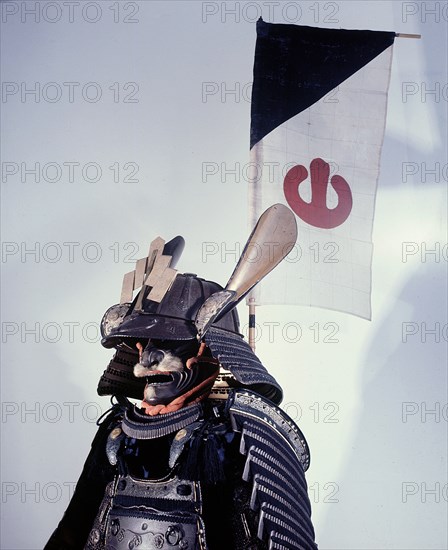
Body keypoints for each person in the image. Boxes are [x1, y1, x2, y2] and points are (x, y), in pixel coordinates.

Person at [45, 231, 318, 550]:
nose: (148, 358)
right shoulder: (115, 434)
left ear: (209, 354)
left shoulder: (234, 439)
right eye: (144, 343)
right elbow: (73, 530)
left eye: (170, 343)